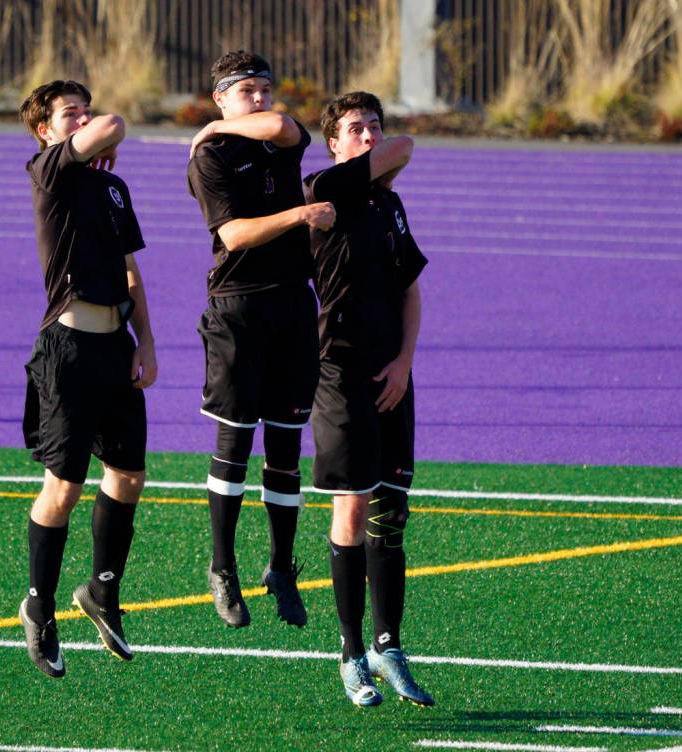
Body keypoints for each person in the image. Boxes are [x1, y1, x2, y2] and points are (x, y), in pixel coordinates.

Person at [187, 51, 335, 629]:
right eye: (244, 89)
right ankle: (222, 567)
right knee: (234, 444)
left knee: (286, 448)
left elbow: (282, 125)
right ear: (220, 96)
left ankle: (280, 566)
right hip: (237, 310)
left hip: (293, 305)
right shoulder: (211, 156)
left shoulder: (272, 137)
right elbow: (235, 233)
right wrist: (299, 217)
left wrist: (221, 119)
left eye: (264, 87)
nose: (259, 97)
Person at [16, 79, 157, 679]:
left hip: (114, 347)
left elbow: (130, 271)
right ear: (46, 131)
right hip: (68, 350)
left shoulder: (112, 188)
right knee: (64, 488)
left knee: (128, 477)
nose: (84, 118)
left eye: (84, 109)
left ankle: (101, 592)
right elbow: (116, 125)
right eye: (69, 113)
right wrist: (93, 131)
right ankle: (39, 606)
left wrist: (146, 341)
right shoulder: (49, 172)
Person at [303, 91, 435, 707]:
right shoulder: (323, 189)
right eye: (355, 129)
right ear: (333, 143)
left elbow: (411, 289)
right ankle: (351, 654)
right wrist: (385, 149)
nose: (369, 136)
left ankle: (391, 647)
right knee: (352, 508)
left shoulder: (389, 202)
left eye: (373, 127)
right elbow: (404, 149)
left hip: (393, 376)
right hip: (339, 373)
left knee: (393, 513)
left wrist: (405, 362)